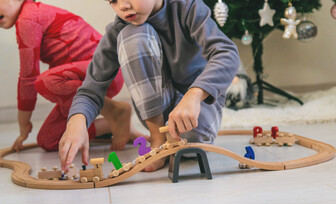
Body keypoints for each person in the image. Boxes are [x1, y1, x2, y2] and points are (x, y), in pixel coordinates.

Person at [59, 0, 241, 172]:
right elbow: (91, 88)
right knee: (131, 35)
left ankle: (172, 136)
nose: (123, 6)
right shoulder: (118, 29)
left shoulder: (188, 7)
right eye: (113, 0)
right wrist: (77, 120)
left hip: (197, 102)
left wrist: (194, 94)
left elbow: (227, 53)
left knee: (189, 144)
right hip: (158, 108)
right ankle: (158, 139)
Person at [0, 0, 140, 156]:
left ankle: (115, 111)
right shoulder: (32, 14)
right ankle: (114, 125)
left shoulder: (27, 18)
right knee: (47, 139)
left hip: (104, 72)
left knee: (44, 82)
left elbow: (28, 77)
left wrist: (23, 125)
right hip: (89, 78)